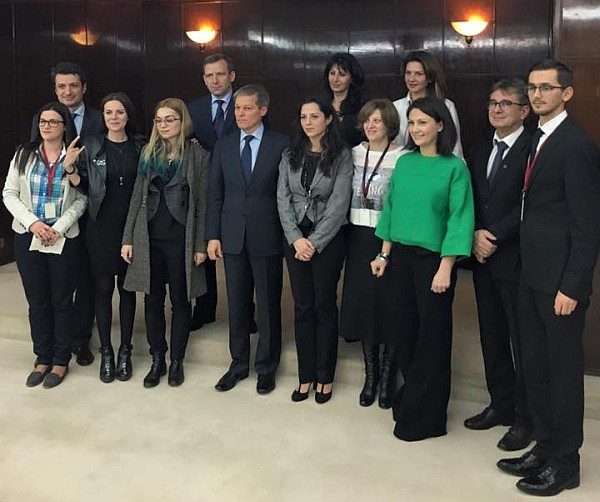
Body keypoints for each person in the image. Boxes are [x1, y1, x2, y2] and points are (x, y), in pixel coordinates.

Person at [497, 59, 600, 497]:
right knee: (535, 369)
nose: (537, 95)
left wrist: (573, 286)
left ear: (566, 93)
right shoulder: (537, 138)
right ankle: (544, 446)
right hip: (530, 276)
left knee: (562, 375)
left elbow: (587, 226)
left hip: (559, 285)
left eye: (546, 88)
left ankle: (565, 463)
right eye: (533, 88)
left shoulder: (576, 146)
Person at [372, 96, 474, 441]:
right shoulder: (405, 163)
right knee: (405, 332)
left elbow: (460, 219)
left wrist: (446, 268)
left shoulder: (454, 168)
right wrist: (383, 254)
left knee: (433, 338)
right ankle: (413, 397)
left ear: (441, 125)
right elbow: (391, 210)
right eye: (412, 123)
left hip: (434, 261)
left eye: (423, 123)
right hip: (401, 258)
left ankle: (427, 417)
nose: (416, 129)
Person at [121, 98, 210, 388]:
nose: (163, 125)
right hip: (150, 237)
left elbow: (202, 204)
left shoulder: (197, 155)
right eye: (159, 120)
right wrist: (128, 238)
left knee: (181, 301)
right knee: (152, 300)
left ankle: (176, 361)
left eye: (170, 119)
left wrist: (200, 244)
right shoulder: (148, 153)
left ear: (182, 121)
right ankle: (157, 358)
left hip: (181, 237)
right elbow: (137, 197)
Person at [464, 79, 533, 451]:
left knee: (522, 342)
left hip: (517, 259)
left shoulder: (533, 148)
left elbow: (530, 204)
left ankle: (526, 417)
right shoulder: (479, 150)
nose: (497, 108)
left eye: (506, 103)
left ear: (524, 111)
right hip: (482, 259)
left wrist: (494, 235)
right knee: (491, 336)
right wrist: (476, 232)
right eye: (492, 102)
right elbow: (471, 199)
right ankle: (500, 404)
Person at [207, 84, 288, 395]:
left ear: (263, 110)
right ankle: (239, 363)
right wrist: (213, 235)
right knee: (237, 305)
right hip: (232, 236)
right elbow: (215, 193)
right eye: (237, 108)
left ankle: (266, 367)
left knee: (268, 305)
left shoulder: (281, 144)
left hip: (267, 233)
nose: (240, 114)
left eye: (247, 108)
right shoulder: (225, 144)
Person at [3, 102, 87, 388]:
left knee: (62, 302)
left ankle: (61, 360)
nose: (47, 126)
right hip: (29, 236)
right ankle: (42, 357)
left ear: (64, 126)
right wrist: (34, 224)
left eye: (53, 122)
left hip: (63, 237)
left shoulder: (75, 154)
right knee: (37, 301)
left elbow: (83, 198)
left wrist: (58, 228)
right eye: (42, 121)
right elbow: (10, 193)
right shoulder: (23, 154)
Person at [277, 97, 352, 404]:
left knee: (324, 304)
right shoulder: (289, 154)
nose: (308, 122)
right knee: (303, 306)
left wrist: (315, 242)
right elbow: (282, 198)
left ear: (328, 119)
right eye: (304, 117)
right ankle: (305, 375)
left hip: (327, 240)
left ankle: (325, 376)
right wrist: (296, 239)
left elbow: (339, 204)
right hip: (295, 239)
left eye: (315, 116)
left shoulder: (342, 155)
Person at [68, 92, 145, 383]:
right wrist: (70, 169)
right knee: (102, 289)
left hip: (132, 227)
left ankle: (125, 350)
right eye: (109, 112)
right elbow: (84, 187)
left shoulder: (141, 146)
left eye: (119, 112)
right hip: (100, 227)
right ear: (103, 116)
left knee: (127, 289)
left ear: (128, 115)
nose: (114, 117)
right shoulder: (91, 145)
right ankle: (106, 352)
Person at [31, 62, 103, 367]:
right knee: (55, 284)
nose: (67, 91)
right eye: (61, 86)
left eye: (73, 85)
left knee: (86, 278)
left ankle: (80, 339)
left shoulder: (100, 119)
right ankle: (53, 341)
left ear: (84, 87)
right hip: (54, 217)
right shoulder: (43, 118)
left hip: (91, 211)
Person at [339, 98, 405, 408]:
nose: (370, 125)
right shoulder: (352, 154)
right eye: (367, 120)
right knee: (365, 305)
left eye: (377, 120)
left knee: (390, 306)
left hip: (389, 238)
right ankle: (371, 375)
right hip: (358, 237)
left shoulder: (404, 157)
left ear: (390, 124)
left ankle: (389, 375)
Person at [187, 53, 257, 334]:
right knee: (203, 248)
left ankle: (246, 313)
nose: (214, 80)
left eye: (220, 74)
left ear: (232, 76)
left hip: (239, 187)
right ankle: (204, 309)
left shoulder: (246, 105)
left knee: (241, 253)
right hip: (204, 188)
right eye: (209, 75)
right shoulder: (194, 108)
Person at [393, 51, 463, 158]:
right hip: (404, 164)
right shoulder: (395, 107)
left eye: (418, 74)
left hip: (439, 165)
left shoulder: (446, 105)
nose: (411, 79)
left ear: (430, 78)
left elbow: (455, 147)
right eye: (408, 73)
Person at [323, 53, 365, 147]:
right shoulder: (322, 105)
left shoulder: (362, 108)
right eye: (332, 73)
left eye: (342, 74)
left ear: (352, 78)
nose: (335, 79)